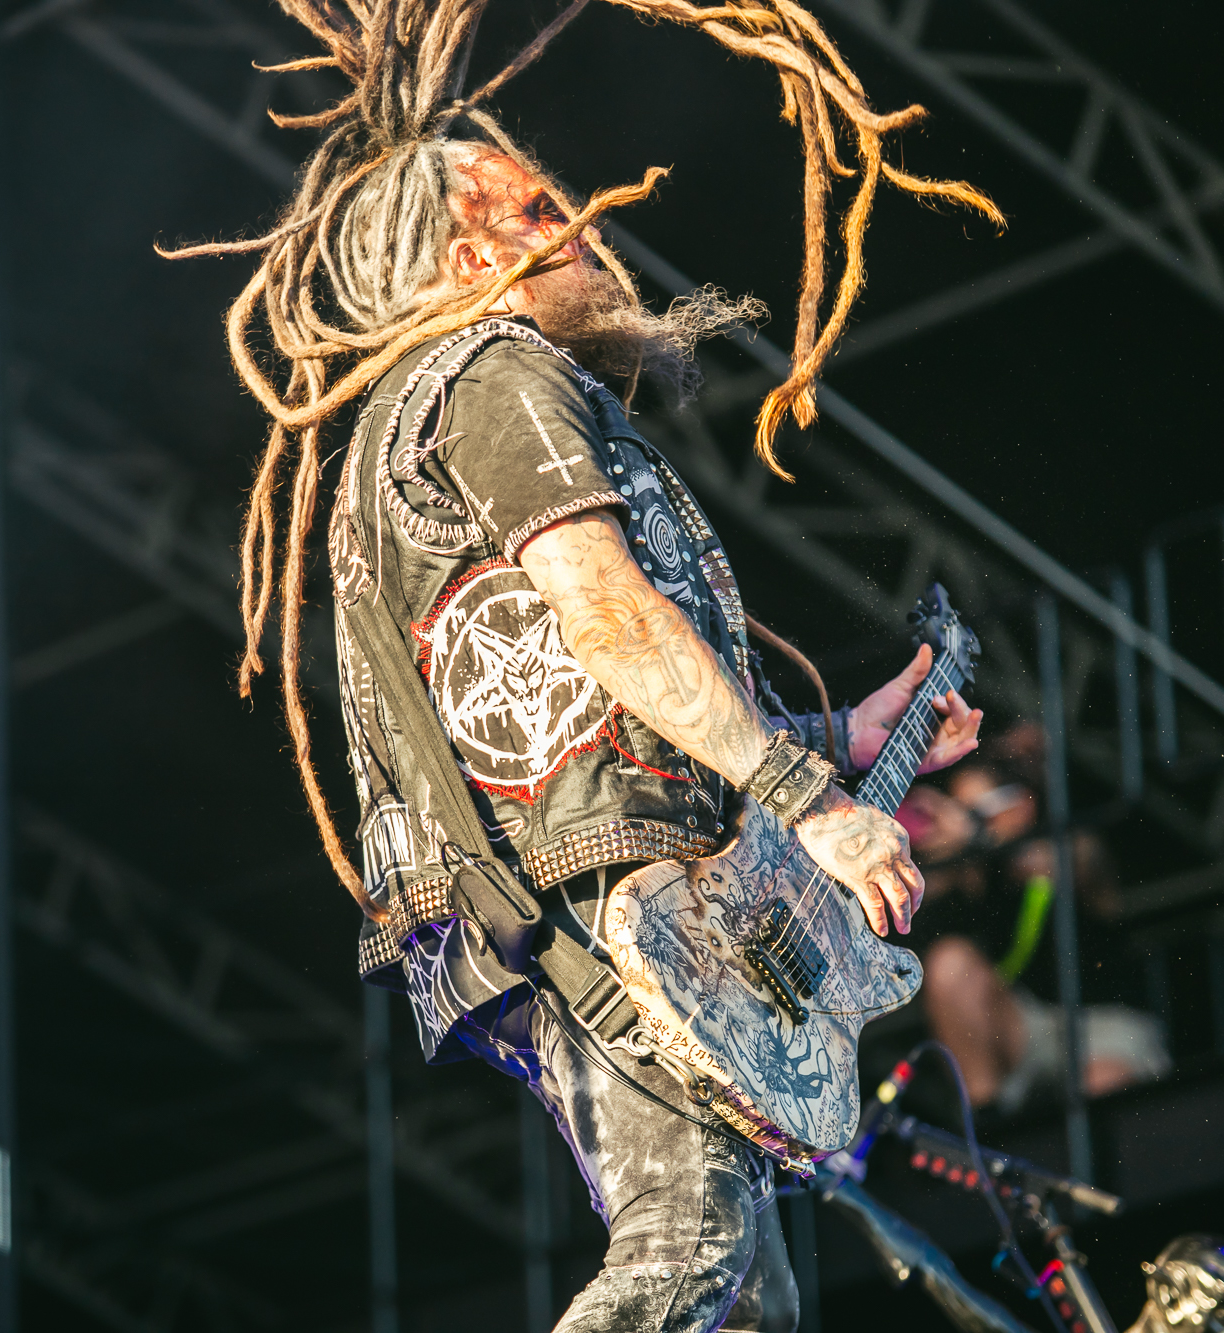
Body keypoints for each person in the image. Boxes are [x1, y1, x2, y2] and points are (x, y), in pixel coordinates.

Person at [163, 0, 1001, 1326]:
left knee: (748, 1300)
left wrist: (844, 736)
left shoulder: (414, 416)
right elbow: (605, 615)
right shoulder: (491, 369)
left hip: (537, 885)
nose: (585, 229)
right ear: (464, 256)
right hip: (593, 886)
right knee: (685, 1249)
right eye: (540, 209)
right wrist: (812, 804)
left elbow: (574, 686)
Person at [898, 723, 1169, 1114]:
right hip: (1025, 1027)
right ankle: (988, 1124)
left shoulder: (1072, 846)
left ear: (1020, 806)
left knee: (1101, 1085)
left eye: (977, 812)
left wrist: (975, 839)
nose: (965, 822)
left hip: (1103, 1025)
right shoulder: (970, 873)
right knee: (950, 963)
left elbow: (1046, 862)